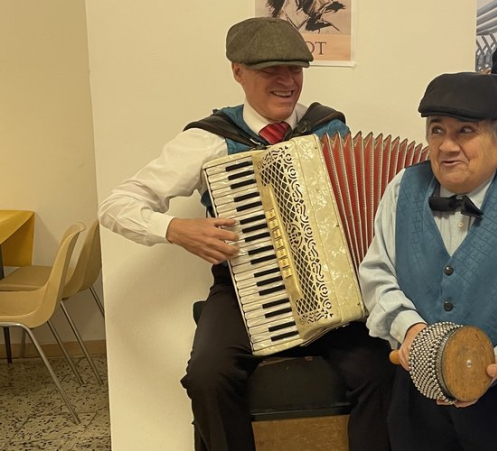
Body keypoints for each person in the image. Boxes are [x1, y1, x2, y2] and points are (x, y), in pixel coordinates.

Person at [99, 17, 394, 451]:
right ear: (237, 71)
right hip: (242, 288)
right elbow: (116, 204)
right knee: (206, 375)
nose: (286, 81)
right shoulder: (210, 139)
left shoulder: (328, 128)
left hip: (335, 292)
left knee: (381, 371)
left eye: (294, 69)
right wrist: (176, 228)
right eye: (269, 70)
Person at [359, 72, 497, 451]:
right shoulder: (401, 189)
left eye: (465, 131)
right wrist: (410, 331)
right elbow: (377, 276)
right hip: (418, 404)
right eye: (436, 130)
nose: (447, 146)